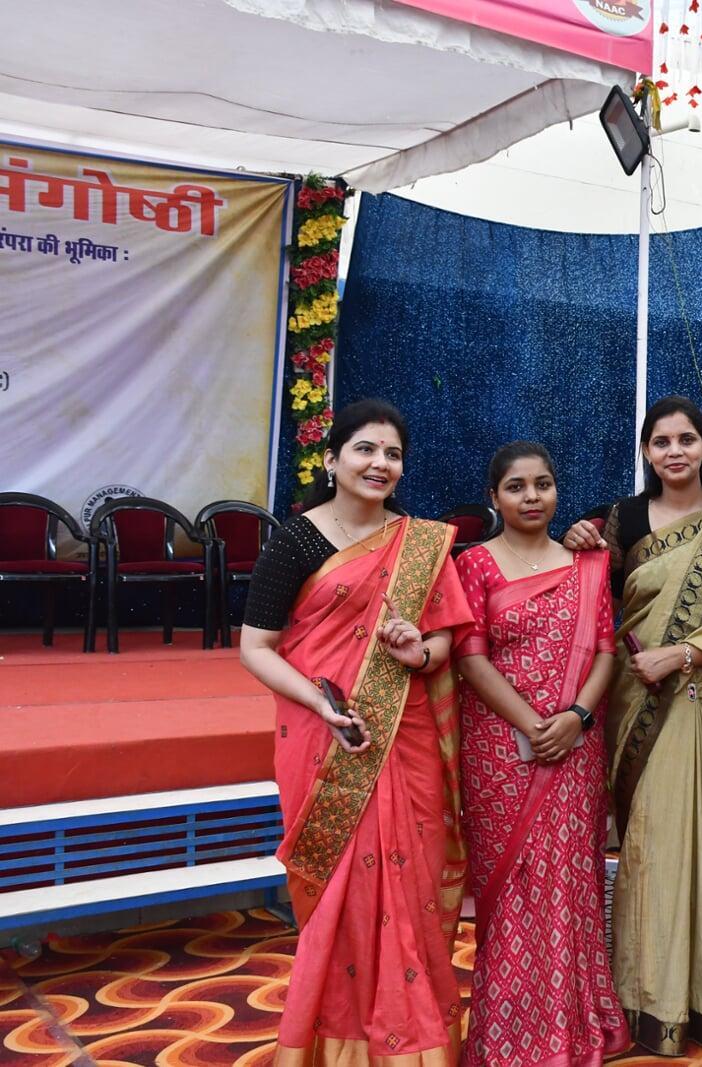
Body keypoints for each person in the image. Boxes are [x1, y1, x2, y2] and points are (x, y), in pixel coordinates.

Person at [239, 399, 473, 1065]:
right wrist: (320, 703)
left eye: (392, 454)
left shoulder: (421, 544)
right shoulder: (296, 541)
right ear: (331, 459)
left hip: (407, 733)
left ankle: (412, 1043)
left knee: (412, 891)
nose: (380, 463)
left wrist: (416, 652)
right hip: (327, 736)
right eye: (365, 449)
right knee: (341, 896)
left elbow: (444, 642)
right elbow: (256, 647)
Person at [561, 395, 702, 1056]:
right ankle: (644, 998)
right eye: (661, 442)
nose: (674, 451)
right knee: (648, 849)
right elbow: (590, 603)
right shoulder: (622, 518)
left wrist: (681, 655)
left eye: (685, 439)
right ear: (647, 452)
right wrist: (576, 544)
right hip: (636, 703)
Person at [452, 441, 630, 1065]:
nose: (532, 497)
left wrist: (576, 718)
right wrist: (534, 724)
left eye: (543, 484)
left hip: (575, 748)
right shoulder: (474, 564)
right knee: (511, 885)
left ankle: (572, 1025)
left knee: (569, 882)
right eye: (517, 487)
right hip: (500, 750)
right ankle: (507, 1034)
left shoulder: (587, 563)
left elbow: (606, 650)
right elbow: (469, 655)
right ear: (494, 497)